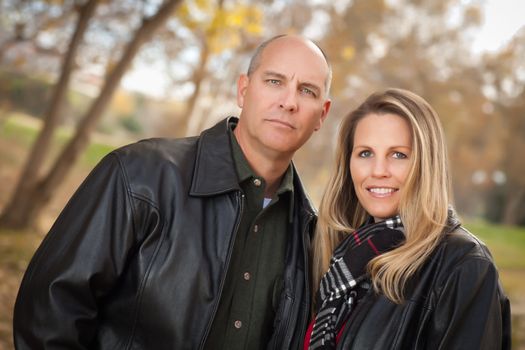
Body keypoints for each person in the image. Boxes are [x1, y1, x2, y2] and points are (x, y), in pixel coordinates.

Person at [13, 34, 332, 350]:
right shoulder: (139, 174)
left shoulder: (312, 237)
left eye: (307, 91)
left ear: (322, 113)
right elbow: (49, 312)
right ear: (243, 90)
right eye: (275, 81)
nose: (289, 102)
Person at [305, 88, 511, 350]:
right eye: (365, 153)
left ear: (425, 164)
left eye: (399, 155)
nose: (379, 171)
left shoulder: (465, 265)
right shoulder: (344, 256)